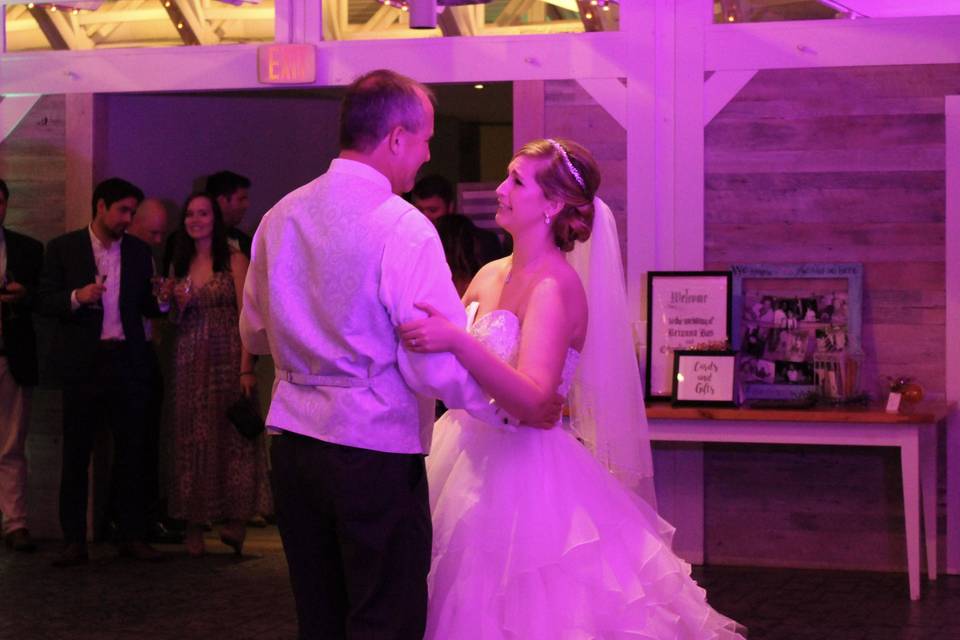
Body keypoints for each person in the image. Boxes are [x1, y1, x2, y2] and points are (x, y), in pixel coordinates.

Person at [239, 69, 560, 639]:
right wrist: (497, 407)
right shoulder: (403, 228)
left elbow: (254, 333)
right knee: (384, 614)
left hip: (291, 445)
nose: (428, 152)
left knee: (319, 613)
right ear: (394, 138)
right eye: (424, 138)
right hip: (372, 447)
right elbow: (427, 361)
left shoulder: (277, 217)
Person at [399, 138, 746, 638]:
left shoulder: (554, 285)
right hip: (462, 458)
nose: (501, 189)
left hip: (525, 473)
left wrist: (455, 339)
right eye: (507, 176)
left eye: (517, 181)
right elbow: (453, 366)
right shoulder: (489, 273)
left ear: (554, 203)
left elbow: (537, 401)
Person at [38, 177, 165, 566]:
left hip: (127, 358)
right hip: (84, 362)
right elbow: (44, 299)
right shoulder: (63, 248)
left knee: (131, 451)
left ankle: (130, 535)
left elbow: (145, 305)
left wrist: (162, 300)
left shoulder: (140, 253)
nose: (128, 219)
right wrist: (78, 297)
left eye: (132, 212)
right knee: (77, 452)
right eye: (122, 210)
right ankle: (74, 539)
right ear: (100, 207)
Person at [167, 192, 270, 557]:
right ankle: (194, 524)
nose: (196, 220)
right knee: (193, 439)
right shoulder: (179, 262)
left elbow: (248, 314)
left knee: (232, 439)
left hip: (227, 358)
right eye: (190, 214)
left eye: (203, 213)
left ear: (216, 219)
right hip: (189, 360)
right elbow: (172, 317)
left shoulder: (235, 260)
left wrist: (247, 367)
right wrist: (172, 303)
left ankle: (236, 520)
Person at [126, 198, 182, 545]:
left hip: (145, 353)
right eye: (154, 232)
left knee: (147, 440)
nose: (159, 240)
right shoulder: (130, 255)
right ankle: (135, 519)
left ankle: (145, 517)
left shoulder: (143, 255)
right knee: (137, 443)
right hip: (131, 356)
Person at [0, 179, 44, 553]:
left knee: (12, 444)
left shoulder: (27, 250)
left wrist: (24, 295)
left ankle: (15, 523)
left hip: (11, 354)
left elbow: (45, 300)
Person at [412, 174, 504, 296]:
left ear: (450, 207)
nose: (425, 217)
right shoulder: (412, 244)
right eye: (419, 210)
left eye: (433, 210)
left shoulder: (481, 241)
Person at [206, 171, 252, 257]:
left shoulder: (245, 243)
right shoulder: (181, 242)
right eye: (241, 199)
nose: (247, 205)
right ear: (222, 201)